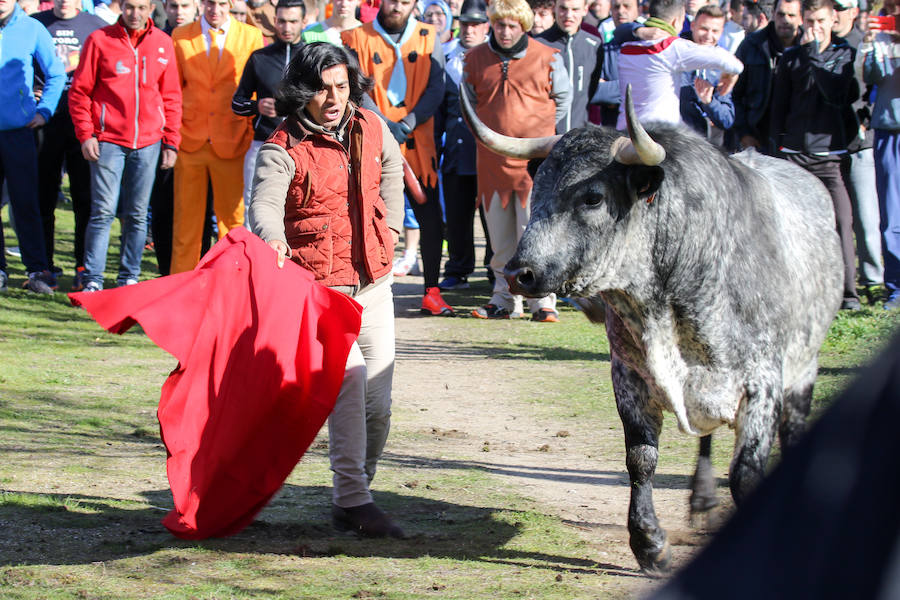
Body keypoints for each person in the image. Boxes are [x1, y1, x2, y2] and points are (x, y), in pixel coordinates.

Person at [250, 42, 406, 537]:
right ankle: (354, 500)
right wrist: (272, 237)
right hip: (321, 292)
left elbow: (394, 170)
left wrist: (394, 228)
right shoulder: (281, 146)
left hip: (375, 284)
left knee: (378, 408)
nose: (333, 96)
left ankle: (356, 490)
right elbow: (264, 205)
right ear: (302, 91)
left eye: (341, 86)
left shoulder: (373, 126)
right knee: (350, 387)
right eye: (321, 88)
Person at [343, 0, 454, 316]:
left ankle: (432, 291)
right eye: (392, 0)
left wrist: (407, 123)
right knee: (366, 218)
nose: (397, 6)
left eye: (405, 2)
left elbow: (437, 86)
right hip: (371, 142)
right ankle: (362, 292)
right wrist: (384, 124)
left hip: (419, 144)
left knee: (430, 218)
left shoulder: (429, 35)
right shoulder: (355, 37)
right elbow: (355, 87)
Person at [462, 0, 570, 321]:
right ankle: (504, 300)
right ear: (491, 25)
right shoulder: (475, 58)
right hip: (492, 163)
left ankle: (542, 301)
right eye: (499, 25)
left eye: (512, 26)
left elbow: (562, 101)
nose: (505, 32)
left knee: (534, 235)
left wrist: (540, 134)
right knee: (500, 239)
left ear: (524, 26)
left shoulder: (548, 57)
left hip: (534, 165)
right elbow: (467, 104)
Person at [68, 0, 181, 290]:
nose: (135, 13)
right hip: (108, 141)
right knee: (103, 211)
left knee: (137, 213)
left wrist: (171, 141)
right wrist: (86, 134)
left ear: (151, 8)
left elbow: (171, 96)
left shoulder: (162, 43)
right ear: (121, 6)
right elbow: (80, 92)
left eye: (142, 7)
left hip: (149, 142)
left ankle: (128, 277)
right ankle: (93, 278)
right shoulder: (99, 40)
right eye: (130, 7)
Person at [770, 0, 860, 310]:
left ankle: (849, 294)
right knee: (792, 228)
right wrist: (776, 150)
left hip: (831, 156)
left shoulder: (845, 54)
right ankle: (796, 291)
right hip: (794, 154)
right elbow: (779, 107)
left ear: (833, 19)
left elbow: (838, 95)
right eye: (808, 22)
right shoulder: (791, 58)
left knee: (840, 224)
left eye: (820, 21)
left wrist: (816, 57)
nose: (814, 28)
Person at [170, 0, 263, 274]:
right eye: (210, 2)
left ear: (232, 4)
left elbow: (254, 91)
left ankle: (230, 286)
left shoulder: (251, 35)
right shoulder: (181, 35)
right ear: (201, 4)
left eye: (223, 3)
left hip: (233, 142)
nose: (216, 9)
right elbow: (174, 90)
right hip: (189, 141)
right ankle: (181, 289)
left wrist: (248, 130)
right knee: (185, 224)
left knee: (233, 224)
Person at [33, 0, 106, 291]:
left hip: (82, 123)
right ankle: (43, 267)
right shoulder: (35, 24)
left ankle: (83, 267)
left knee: (85, 199)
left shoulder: (96, 27)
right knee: (43, 198)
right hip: (43, 121)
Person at [0, 0, 65, 295]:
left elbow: (56, 74)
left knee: (26, 203)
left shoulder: (32, 28)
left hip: (19, 133)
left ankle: (37, 270)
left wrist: (45, 111)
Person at [232, 0, 305, 229]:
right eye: (282, 21)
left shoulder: (312, 57)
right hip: (263, 143)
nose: (286, 27)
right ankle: (255, 263)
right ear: (274, 21)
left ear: (304, 22)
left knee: (301, 208)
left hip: (305, 145)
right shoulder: (259, 58)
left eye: (293, 21)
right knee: (254, 207)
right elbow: (237, 103)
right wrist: (257, 107)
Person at [615, 0, 743, 129]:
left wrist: (638, 30)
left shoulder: (626, 47)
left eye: (715, 31)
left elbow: (619, 30)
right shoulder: (674, 48)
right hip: (660, 136)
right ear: (676, 22)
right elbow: (734, 64)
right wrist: (732, 74)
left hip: (626, 131)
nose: (709, 35)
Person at [436, 0, 491, 290]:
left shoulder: (496, 57)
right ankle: (458, 268)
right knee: (457, 217)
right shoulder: (444, 56)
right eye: (465, 23)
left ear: (486, 26)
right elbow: (438, 108)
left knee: (493, 217)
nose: (469, 29)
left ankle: (495, 270)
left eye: (476, 24)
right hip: (456, 150)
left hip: (489, 153)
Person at [835, 0, 885, 302]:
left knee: (867, 218)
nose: (838, 14)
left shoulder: (862, 44)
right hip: (831, 144)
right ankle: (846, 281)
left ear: (854, 12)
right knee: (842, 220)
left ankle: (873, 280)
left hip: (861, 141)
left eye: (843, 9)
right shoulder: (826, 45)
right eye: (834, 8)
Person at [863, 0, 900, 309]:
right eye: (890, 8)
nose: (893, 14)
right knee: (891, 216)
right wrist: (873, 47)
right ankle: (896, 286)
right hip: (888, 131)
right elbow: (872, 77)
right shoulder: (881, 36)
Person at [732, 0, 802, 153]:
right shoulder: (752, 45)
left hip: (795, 140)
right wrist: (744, 133)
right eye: (781, 14)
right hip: (757, 137)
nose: (786, 20)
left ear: (801, 18)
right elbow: (734, 93)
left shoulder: (808, 48)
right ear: (773, 15)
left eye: (792, 15)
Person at [537, 0, 603, 132]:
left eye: (575, 10)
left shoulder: (594, 45)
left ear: (585, 9)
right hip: (546, 137)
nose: (568, 15)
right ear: (554, 8)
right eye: (563, 8)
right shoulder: (538, 44)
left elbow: (591, 89)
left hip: (579, 136)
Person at [679, 4, 735, 142]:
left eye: (715, 31)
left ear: (721, 32)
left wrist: (709, 102)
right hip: (673, 140)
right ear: (692, 26)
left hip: (704, 148)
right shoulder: (676, 53)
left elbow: (727, 119)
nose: (709, 36)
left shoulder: (723, 65)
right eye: (704, 29)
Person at [593, 0, 640, 126]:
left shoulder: (649, 48)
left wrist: (611, 92)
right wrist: (638, 87)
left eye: (627, 6)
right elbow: (595, 92)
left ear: (638, 10)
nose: (620, 11)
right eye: (616, 7)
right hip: (613, 133)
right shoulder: (602, 51)